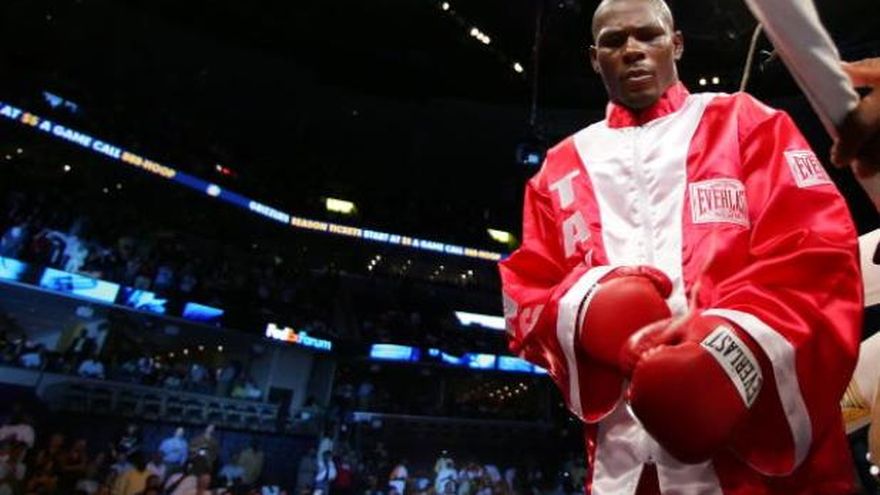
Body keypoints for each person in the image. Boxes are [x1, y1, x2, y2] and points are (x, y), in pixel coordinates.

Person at [499, 0, 862, 493]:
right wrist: (584, 312)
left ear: (677, 44)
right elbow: (524, 295)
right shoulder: (559, 169)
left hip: (754, 463)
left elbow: (820, 253)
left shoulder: (748, 122)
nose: (632, 50)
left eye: (648, 35)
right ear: (594, 59)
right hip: (622, 466)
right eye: (613, 41)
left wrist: (733, 352)